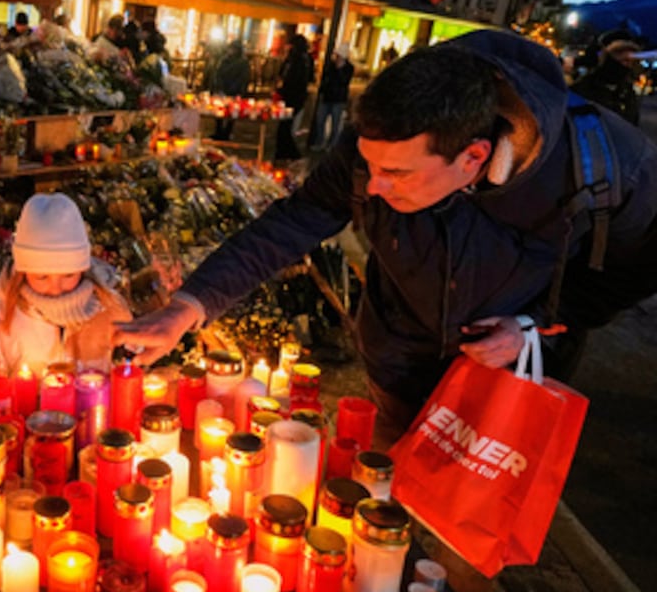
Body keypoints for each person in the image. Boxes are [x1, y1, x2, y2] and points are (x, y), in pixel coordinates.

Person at [116, 29, 657, 442]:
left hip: (509, 387)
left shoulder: (606, 168)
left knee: (469, 546)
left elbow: (634, 270)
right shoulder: (381, 142)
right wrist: (188, 306)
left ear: (474, 158)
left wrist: (533, 328)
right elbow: (292, 223)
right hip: (400, 365)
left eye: (397, 175)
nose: (372, 187)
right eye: (369, 166)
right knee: (388, 511)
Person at [0, 193, 133, 375]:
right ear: (23, 271)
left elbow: (130, 371)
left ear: (83, 268)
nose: (56, 290)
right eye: (42, 277)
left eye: (68, 275)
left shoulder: (110, 309)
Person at [571, 30, 641, 126]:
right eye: (622, 58)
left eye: (630, 61)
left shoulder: (628, 94)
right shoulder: (581, 90)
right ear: (604, 58)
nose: (626, 66)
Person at [274, 33, 313, 159]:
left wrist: (282, 89)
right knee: (284, 126)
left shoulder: (299, 60)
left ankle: (290, 153)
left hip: (292, 98)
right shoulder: (299, 59)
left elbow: (293, 80)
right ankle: (284, 152)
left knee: (285, 127)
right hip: (292, 97)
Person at [312, 43, 355, 150]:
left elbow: (344, 81)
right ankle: (320, 142)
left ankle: (331, 145)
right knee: (320, 121)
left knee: (335, 124)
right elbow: (326, 78)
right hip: (327, 96)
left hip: (338, 99)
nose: (337, 57)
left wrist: (340, 69)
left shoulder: (348, 68)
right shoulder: (331, 65)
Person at [211, 40, 250, 141]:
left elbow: (243, 78)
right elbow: (218, 73)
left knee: (231, 112)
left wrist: (238, 90)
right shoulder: (225, 60)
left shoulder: (242, 62)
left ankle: (227, 132)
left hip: (233, 90)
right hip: (224, 89)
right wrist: (218, 87)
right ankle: (219, 131)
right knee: (219, 111)